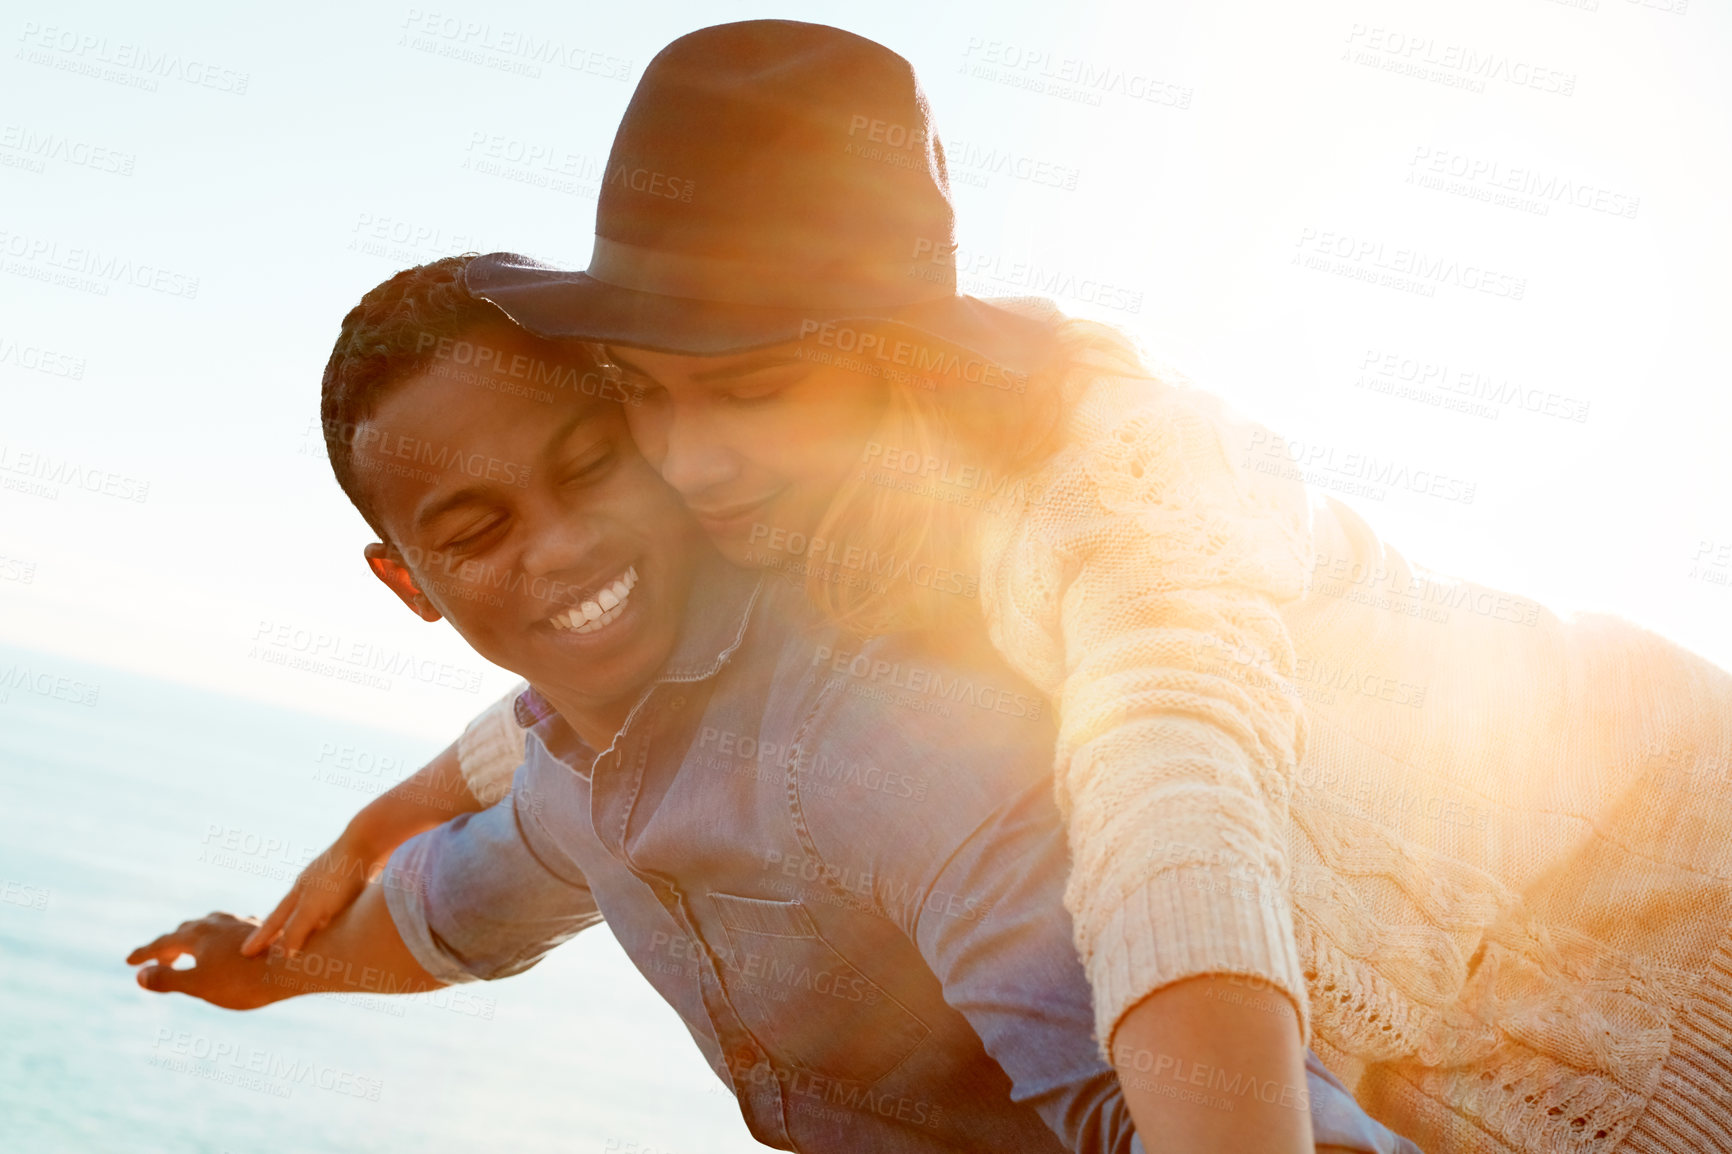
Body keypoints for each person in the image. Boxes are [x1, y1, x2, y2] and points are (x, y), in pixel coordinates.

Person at [251, 21, 1732, 1153]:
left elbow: (1179, 822)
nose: (692, 461)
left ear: (893, 357)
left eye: (753, 388)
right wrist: (396, 811)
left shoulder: (1124, 491)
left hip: (1664, 918)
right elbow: (615, 708)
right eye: (648, 389)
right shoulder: (799, 510)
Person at [129, 257, 1418, 1154]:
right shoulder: (574, 770)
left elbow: (1165, 1092)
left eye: (593, 468)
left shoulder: (877, 732)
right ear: (408, 583)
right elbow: (466, 899)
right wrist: (271, 971)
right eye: (479, 531)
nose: (565, 547)